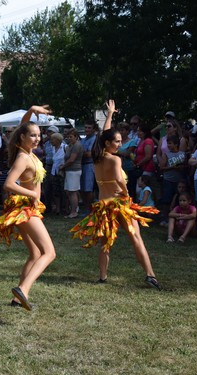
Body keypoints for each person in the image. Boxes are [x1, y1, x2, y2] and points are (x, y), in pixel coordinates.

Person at [70, 100, 161, 289]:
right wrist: (127, 194)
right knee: (136, 238)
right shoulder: (115, 160)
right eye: (117, 142)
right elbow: (120, 180)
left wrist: (110, 114)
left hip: (103, 205)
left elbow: (105, 133)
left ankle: (103, 276)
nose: (120, 144)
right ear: (108, 143)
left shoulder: (97, 157)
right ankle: (150, 275)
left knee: (105, 243)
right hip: (119, 203)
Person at [0, 105, 56, 311]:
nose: (37, 138)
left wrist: (32, 110)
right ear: (22, 138)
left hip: (27, 208)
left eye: (39, 135)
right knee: (49, 253)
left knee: (35, 253)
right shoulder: (23, 157)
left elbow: (22, 126)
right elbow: (9, 184)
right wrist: (33, 194)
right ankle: (23, 290)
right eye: (32, 135)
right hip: (25, 209)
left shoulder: (28, 152)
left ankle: (17, 300)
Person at [59, 129, 83, 218]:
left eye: (71, 137)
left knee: (72, 192)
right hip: (69, 170)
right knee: (69, 191)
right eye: (68, 137)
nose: (69, 138)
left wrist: (63, 166)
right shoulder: (70, 145)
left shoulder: (77, 145)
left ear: (76, 137)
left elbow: (72, 159)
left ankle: (74, 212)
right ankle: (73, 210)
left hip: (74, 171)